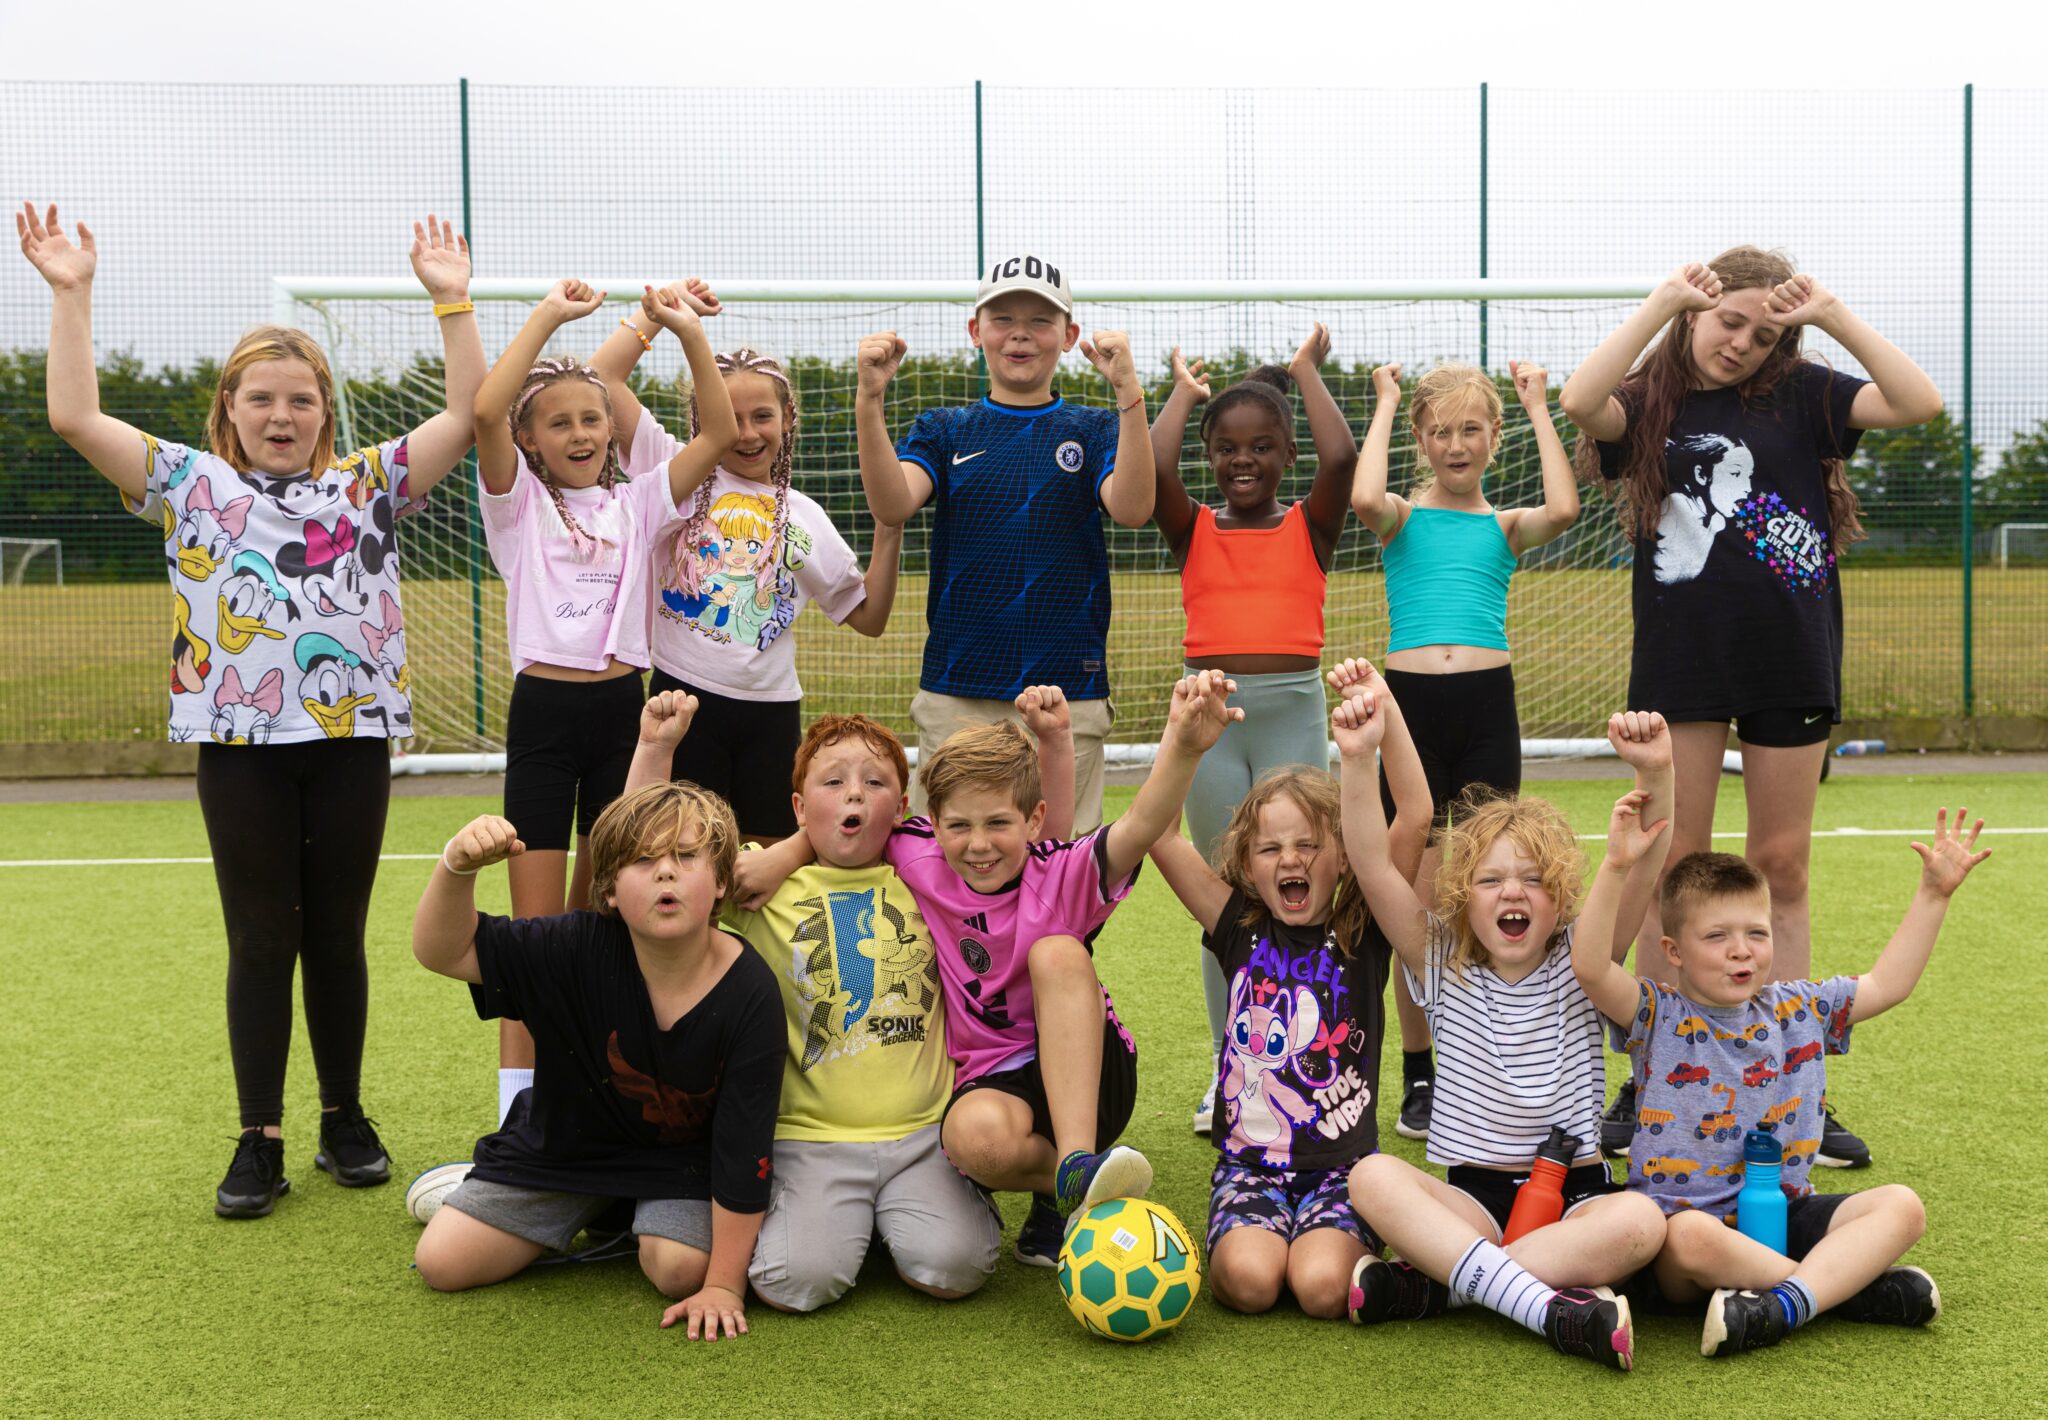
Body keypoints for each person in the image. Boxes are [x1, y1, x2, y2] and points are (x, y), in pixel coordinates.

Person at [17, 203, 484, 1218]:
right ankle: (258, 1134)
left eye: (303, 400)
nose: (283, 416)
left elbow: (464, 416)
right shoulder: (188, 483)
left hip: (349, 736)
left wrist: (452, 303)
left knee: (339, 934)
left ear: (327, 412)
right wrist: (71, 294)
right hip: (236, 746)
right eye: (263, 399)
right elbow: (72, 418)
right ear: (228, 407)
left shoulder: (368, 486)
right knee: (261, 935)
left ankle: (345, 1117)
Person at [1558, 249, 1944, 1166]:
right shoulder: (1650, 397)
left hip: (1789, 656)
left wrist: (1834, 317)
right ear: (1698, 311)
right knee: (1670, 860)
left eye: (1765, 332)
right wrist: (1662, 304)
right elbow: (1580, 400)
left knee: (1781, 862)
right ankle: (1657, 1069)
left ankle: (1792, 1073)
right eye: (1729, 321)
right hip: (1683, 661)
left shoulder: (1806, 391)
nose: (1742, 342)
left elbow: (1919, 401)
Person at [739, 669, 1239, 1267]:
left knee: (1057, 951)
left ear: (1031, 822)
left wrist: (1182, 746)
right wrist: (784, 855)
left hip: (1094, 1072)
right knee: (968, 1140)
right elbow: (855, 830)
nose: (978, 844)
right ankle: (1060, 1189)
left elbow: (1140, 825)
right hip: (995, 1079)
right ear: (931, 822)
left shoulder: (1060, 873)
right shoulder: (919, 855)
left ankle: (1079, 1166)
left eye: (998, 823)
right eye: (959, 826)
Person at [620, 691, 1002, 1312]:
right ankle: (845, 1221)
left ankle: (902, 1218)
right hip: (809, 1139)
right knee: (795, 1283)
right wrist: (658, 747)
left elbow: (1031, 857)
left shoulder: (935, 876)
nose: (854, 794)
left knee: (956, 1269)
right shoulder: (756, 882)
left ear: (905, 811)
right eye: (833, 781)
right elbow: (647, 843)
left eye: (874, 782)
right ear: (798, 806)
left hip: (924, 1134)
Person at [1567, 802, 1987, 1356]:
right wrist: (1618, 866)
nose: (1741, 949)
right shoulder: (1656, 1013)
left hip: (1786, 1212)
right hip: (1685, 1235)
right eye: (1717, 935)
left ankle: (1784, 1302)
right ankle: (1838, 1290)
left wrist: (1934, 894)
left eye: (1756, 933)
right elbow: (1592, 967)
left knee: (1902, 1206)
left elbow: (1888, 984)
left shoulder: (1801, 1008)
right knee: (1692, 1237)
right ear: (1673, 952)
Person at [1340, 708, 1677, 1370]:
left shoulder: (1586, 956)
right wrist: (1356, 759)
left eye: (1531, 880)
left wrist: (1658, 773)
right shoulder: (1437, 957)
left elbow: (1644, 867)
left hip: (1576, 1203)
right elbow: (1371, 862)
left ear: (1560, 897)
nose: (1510, 893)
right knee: (1372, 1176)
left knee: (1644, 1225)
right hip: (1472, 1201)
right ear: (1462, 896)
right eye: (1490, 880)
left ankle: (1446, 1288)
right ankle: (1551, 1310)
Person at [473, 279, 736, 1124]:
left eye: (595, 418)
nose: (582, 432)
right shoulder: (515, 506)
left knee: (605, 929)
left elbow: (721, 432)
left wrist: (687, 332)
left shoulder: (638, 502)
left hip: (627, 719)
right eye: (560, 422)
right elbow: (483, 413)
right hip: (545, 722)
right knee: (534, 937)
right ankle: (520, 1114)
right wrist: (550, 317)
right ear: (530, 440)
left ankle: (595, 1099)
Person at [409, 781, 784, 1343]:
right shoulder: (572, 947)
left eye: (686, 856)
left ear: (723, 881)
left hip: (678, 1161)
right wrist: (456, 866)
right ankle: (528, 1195)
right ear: (608, 891)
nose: (666, 872)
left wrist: (725, 1287)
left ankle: (624, 1214)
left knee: (680, 1269)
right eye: (642, 860)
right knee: (442, 1264)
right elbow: (445, 950)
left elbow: (744, 1147)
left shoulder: (750, 988)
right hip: (564, 1146)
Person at [1144, 659, 1430, 1318]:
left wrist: (1383, 711)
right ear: (1246, 863)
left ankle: (1373, 1252)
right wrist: (1183, 735)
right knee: (1247, 1284)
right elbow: (1156, 832)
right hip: (1249, 1169)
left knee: (1324, 1288)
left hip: (1341, 1169)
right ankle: (1269, 1233)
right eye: (1270, 849)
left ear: (1344, 853)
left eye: (1308, 843)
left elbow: (1414, 814)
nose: (1291, 859)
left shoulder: (1364, 923)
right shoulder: (1235, 924)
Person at [1351, 358, 1581, 1142]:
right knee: (1415, 893)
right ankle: (1421, 1070)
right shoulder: (1402, 520)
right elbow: (1360, 495)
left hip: (1487, 708)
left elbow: (1565, 504)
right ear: (1421, 440)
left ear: (1493, 439)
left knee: (1482, 881)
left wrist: (1539, 407)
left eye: (1471, 430)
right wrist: (1383, 404)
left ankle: (1482, 1053)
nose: (1456, 444)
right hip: (1409, 709)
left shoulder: (1504, 527)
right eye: (1441, 431)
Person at [852, 254, 1155, 834]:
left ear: (1069, 337)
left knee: (1060, 868)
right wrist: (870, 401)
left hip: (1068, 692)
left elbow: (1134, 508)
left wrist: (1128, 392)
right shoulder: (944, 428)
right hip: (958, 689)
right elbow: (892, 504)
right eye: (1003, 318)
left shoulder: (1094, 429)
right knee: (951, 866)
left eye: (1041, 321)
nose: (1020, 333)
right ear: (976, 332)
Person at [1147, 327, 1359, 1136]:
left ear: (1285, 455)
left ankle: (1300, 1062)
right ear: (1210, 457)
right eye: (1228, 448)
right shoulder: (1190, 526)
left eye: (1264, 447)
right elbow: (1153, 469)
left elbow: (1341, 460)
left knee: (1297, 886)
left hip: (1292, 711)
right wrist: (1180, 396)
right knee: (1228, 900)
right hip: (1211, 718)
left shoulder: (1312, 523)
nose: (1245, 461)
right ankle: (1227, 1067)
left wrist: (1305, 371)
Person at [594, 300, 903, 842]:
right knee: (682, 851)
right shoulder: (673, 470)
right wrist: (662, 316)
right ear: (703, 418)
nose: (747, 432)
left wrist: (890, 524)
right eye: (731, 417)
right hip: (683, 701)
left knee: (765, 864)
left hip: (771, 713)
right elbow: (603, 380)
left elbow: (870, 617)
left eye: (762, 415)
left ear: (787, 419)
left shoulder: (805, 516)